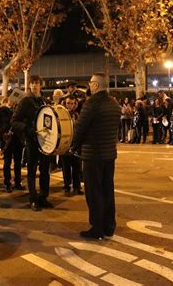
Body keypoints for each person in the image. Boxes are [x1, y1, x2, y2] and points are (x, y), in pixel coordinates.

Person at [71, 73, 120, 239]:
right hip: (109, 154)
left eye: (91, 83)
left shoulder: (91, 103)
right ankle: (109, 225)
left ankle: (96, 228)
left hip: (92, 154)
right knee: (107, 190)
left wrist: (73, 145)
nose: (89, 85)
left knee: (94, 192)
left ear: (96, 86)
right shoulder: (114, 103)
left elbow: (80, 128)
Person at [11, 75, 52, 211]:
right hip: (32, 141)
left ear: (41, 85)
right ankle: (33, 199)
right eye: (32, 83)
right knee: (32, 171)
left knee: (45, 170)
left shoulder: (45, 101)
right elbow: (14, 121)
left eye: (37, 83)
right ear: (29, 85)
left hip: (45, 141)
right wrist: (28, 129)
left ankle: (43, 197)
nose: (34, 85)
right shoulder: (25, 102)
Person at [0, 93, 25, 193]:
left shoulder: (20, 110)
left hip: (17, 140)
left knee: (18, 163)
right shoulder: (2, 111)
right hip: (6, 140)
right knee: (7, 163)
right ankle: (7, 183)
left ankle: (18, 182)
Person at [61, 96, 83, 196]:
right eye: (68, 103)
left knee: (77, 167)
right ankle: (67, 187)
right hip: (65, 144)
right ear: (65, 103)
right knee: (66, 168)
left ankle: (76, 187)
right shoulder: (61, 115)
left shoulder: (77, 115)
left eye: (72, 103)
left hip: (75, 145)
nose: (70, 105)